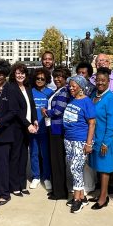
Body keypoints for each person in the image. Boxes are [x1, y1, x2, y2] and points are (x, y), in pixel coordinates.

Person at [0, 59, 29, 206]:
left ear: (5, 74)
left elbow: (14, 111)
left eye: (1, 74)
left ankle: (4, 194)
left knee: (2, 163)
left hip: (4, 131)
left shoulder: (11, 88)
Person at [63, 75, 97, 213]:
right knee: (74, 168)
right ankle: (82, 197)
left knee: (75, 169)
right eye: (69, 86)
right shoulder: (72, 100)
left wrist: (89, 144)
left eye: (73, 86)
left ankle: (77, 200)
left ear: (81, 87)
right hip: (69, 139)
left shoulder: (87, 102)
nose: (71, 88)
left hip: (81, 140)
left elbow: (92, 123)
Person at [89, 70, 113, 208]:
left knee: (105, 170)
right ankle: (101, 193)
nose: (100, 82)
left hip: (104, 141)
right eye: (98, 80)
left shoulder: (111, 98)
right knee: (99, 169)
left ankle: (103, 198)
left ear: (109, 81)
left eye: (103, 80)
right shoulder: (94, 95)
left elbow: (112, 123)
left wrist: (106, 142)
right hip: (94, 139)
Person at [8, 62, 37, 197]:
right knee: (15, 157)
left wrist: (35, 120)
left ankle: (21, 184)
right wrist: (28, 124)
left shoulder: (27, 87)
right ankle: (14, 186)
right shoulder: (11, 88)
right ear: (14, 74)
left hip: (27, 127)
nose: (20, 75)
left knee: (23, 157)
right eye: (18, 73)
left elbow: (32, 105)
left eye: (22, 73)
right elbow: (16, 111)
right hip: (17, 128)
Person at [46, 67, 72, 200]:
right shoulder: (58, 90)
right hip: (53, 128)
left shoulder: (65, 91)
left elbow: (58, 111)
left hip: (58, 129)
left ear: (66, 78)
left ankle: (60, 192)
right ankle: (57, 189)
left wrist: (46, 112)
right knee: (55, 160)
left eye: (60, 76)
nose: (57, 79)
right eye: (55, 76)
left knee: (57, 161)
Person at [29, 67, 53, 192]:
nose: (39, 80)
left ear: (46, 80)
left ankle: (47, 177)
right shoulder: (30, 91)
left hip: (45, 129)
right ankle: (36, 176)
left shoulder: (50, 93)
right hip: (33, 129)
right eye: (37, 78)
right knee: (33, 153)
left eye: (42, 79)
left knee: (45, 154)